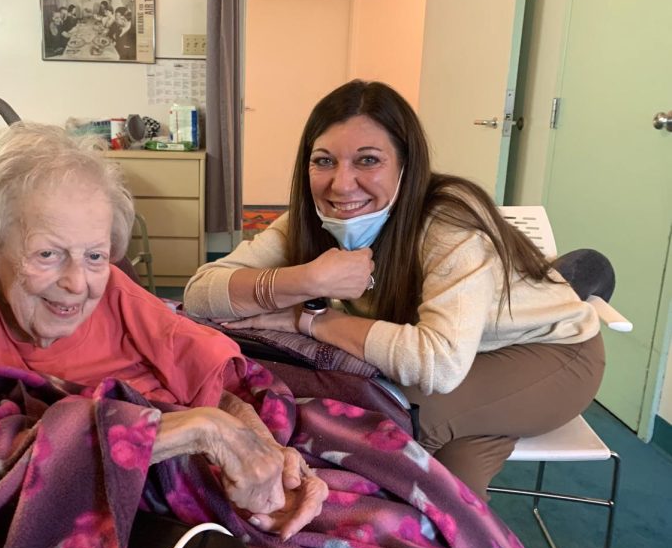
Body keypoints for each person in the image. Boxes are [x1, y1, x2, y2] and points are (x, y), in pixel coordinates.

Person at [0, 122, 585, 548]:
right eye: (47, 254)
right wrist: (193, 430)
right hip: (153, 476)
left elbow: (213, 364)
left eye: (95, 254)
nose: (76, 282)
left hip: (222, 453)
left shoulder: (113, 291)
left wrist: (262, 442)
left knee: (399, 471)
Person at [183, 79, 604, 500]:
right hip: (464, 354)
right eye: (324, 161)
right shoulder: (310, 220)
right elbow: (200, 294)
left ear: (406, 164)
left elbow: (436, 365)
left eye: (368, 160)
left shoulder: (450, 223)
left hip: (554, 353)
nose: (342, 185)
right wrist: (309, 279)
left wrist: (308, 317)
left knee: (393, 420)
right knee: (452, 477)